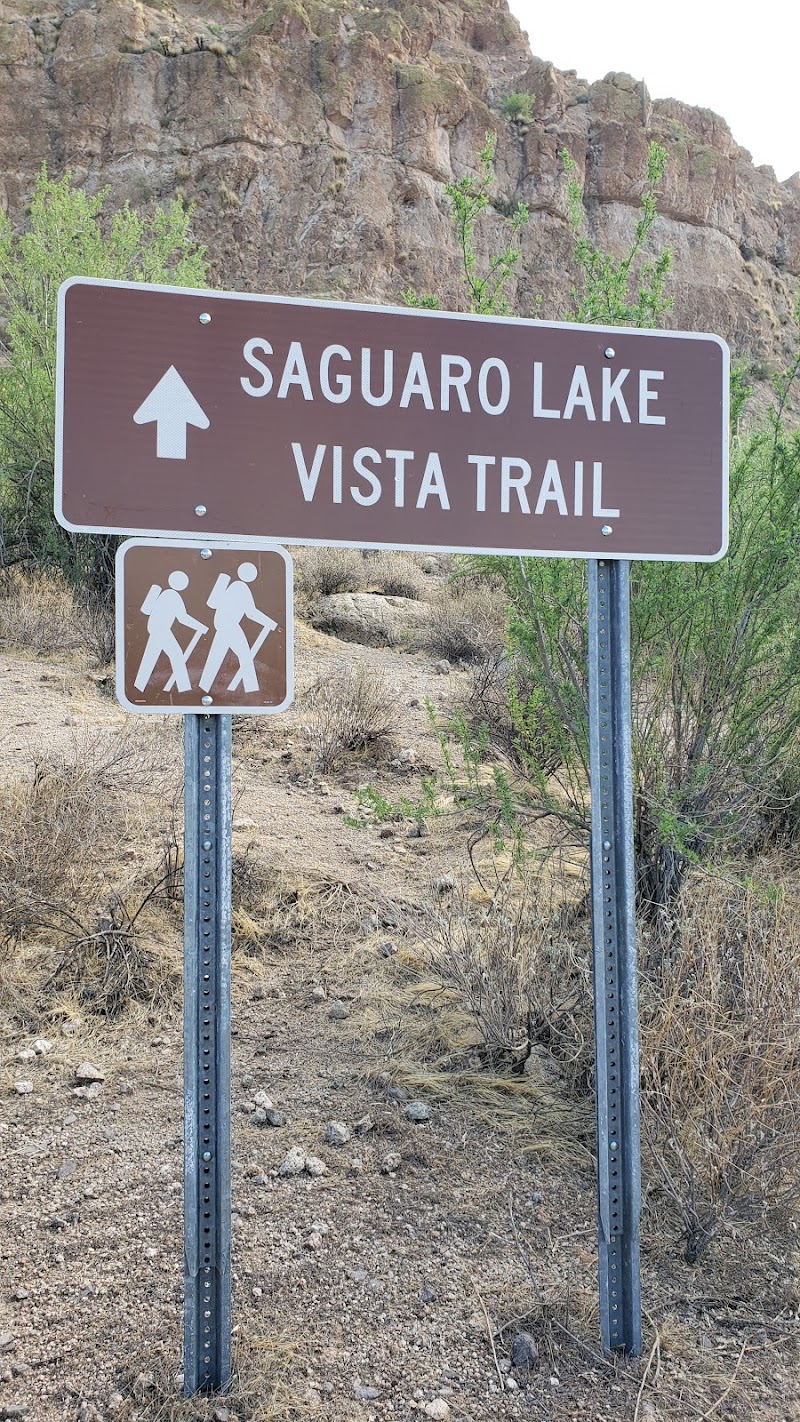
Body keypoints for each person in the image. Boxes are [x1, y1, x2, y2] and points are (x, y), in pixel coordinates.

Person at [198, 562, 277, 694]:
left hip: (222, 626)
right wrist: (269, 622)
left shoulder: (233, 586)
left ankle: (203, 687)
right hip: (230, 627)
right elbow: (251, 612)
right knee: (245, 656)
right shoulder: (241, 587)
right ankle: (251, 689)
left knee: (215, 657)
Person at [134, 570, 208, 693]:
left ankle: (139, 686)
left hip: (156, 629)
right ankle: (184, 688)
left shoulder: (166, 593)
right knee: (177, 656)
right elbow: (182, 618)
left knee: (151, 657)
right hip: (161, 630)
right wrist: (200, 626)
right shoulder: (172, 595)